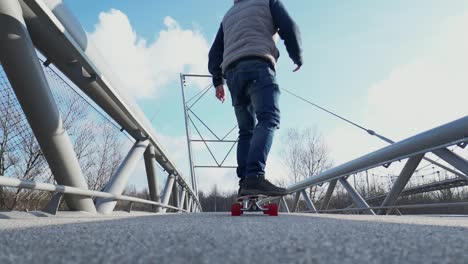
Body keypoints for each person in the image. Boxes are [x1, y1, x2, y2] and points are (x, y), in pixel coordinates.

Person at [208, 0, 302, 196]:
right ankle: (254, 177)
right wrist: (296, 56)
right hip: (258, 65)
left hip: (233, 75)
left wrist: (218, 81)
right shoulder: (268, 1)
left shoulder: (228, 15)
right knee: (269, 119)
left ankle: (245, 182)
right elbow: (288, 27)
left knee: (245, 130)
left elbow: (214, 53)